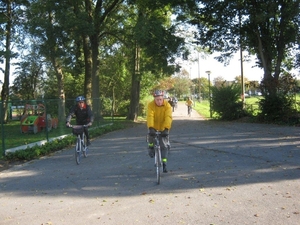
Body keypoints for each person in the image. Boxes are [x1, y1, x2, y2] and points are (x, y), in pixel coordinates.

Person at [147, 90, 172, 173]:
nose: (159, 101)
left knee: (164, 146)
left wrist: (166, 128)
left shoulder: (167, 105)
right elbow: (150, 116)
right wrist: (151, 127)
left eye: (160, 99)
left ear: (163, 98)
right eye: (157, 99)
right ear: (154, 99)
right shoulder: (151, 105)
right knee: (150, 137)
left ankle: (164, 164)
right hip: (153, 126)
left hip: (163, 128)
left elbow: (168, 117)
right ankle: (150, 147)